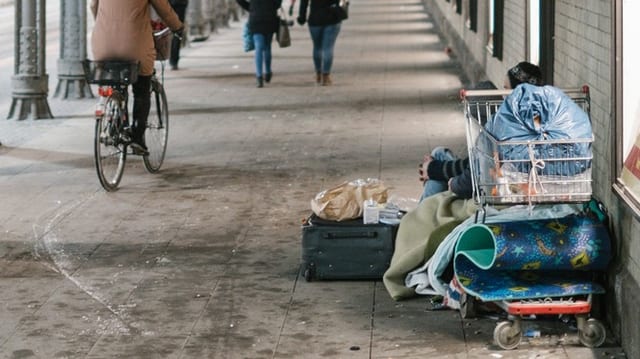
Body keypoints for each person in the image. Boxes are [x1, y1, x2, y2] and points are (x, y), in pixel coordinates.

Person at [418, 61, 544, 201]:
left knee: (438, 161)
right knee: (439, 154)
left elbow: (474, 176)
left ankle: (421, 214)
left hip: (496, 194)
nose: (503, 97)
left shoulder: (503, 128)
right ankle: (421, 210)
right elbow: (474, 164)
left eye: (506, 90)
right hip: (501, 181)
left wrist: (450, 182)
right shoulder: (544, 119)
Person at [90, 0, 184, 155]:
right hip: (135, 45)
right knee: (141, 89)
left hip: (102, 44)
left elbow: (93, 6)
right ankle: (137, 138)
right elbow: (164, 9)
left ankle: (114, 120)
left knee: (115, 80)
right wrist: (177, 27)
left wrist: (103, 24)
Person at [236, 0, 282, 88]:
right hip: (270, 18)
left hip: (255, 18)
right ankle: (268, 72)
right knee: (267, 47)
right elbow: (278, 3)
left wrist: (251, 7)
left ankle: (259, 76)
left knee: (258, 48)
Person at [297, 0, 343, 86]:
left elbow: (304, 3)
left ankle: (318, 73)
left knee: (317, 47)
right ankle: (326, 76)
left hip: (315, 19)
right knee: (328, 48)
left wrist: (302, 17)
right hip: (332, 18)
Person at [169, 0, 189, 70]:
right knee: (177, 31)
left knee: (168, 31)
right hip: (180, 4)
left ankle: (173, 60)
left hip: (169, 4)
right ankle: (174, 61)